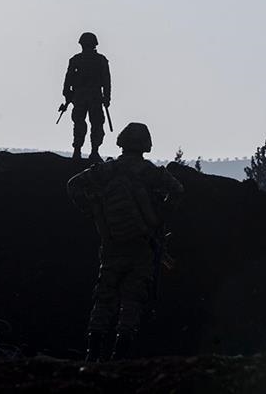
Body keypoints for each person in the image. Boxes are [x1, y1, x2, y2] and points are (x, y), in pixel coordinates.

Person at [67, 123, 184, 361]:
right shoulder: (149, 172)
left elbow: (73, 185)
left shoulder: (106, 171)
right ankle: (119, 358)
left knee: (103, 299)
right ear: (145, 144)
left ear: (122, 141)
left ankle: (93, 355)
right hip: (142, 247)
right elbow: (177, 190)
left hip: (112, 245)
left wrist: (94, 211)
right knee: (132, 302)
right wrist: (159, 215)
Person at [62, 32, 111, 161]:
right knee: (90, 124)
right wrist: (106, 97)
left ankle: (84, 151)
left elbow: (106, 81)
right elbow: (68, 80)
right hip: (87, 97)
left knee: (89, 124)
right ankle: (85, 151)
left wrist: (67, 95)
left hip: (86, 97)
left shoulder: (78, 60)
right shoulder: (98, 60)